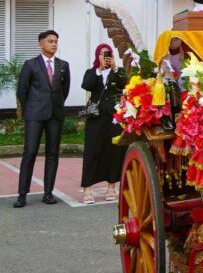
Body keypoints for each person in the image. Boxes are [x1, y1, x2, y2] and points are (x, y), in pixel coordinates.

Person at [13, 30, 71, 208]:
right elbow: (22, 90)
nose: (54, 44)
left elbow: (65, 89)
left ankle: (48, 193)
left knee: (52, 154)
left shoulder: (63, 65)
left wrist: (57, 105)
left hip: (55, 115)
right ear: (41, 44)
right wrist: (30, 108)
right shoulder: (30, 65)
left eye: (56, 41)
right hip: (34, 115)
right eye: (50, 41)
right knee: (30, 152)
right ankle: (22, 195)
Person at [80, 44, 127, 204]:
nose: (104, 57)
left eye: (107, 54)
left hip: (113, 117)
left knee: (113, 151)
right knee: (92, 151)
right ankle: (87, 189)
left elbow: (125, 83)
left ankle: (111, 187)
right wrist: (99, 69)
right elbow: (86, 85)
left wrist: (114, 68)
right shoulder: (92, 72)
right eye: (101, 54)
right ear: (96, 56)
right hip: (96, 117)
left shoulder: (118, 71)